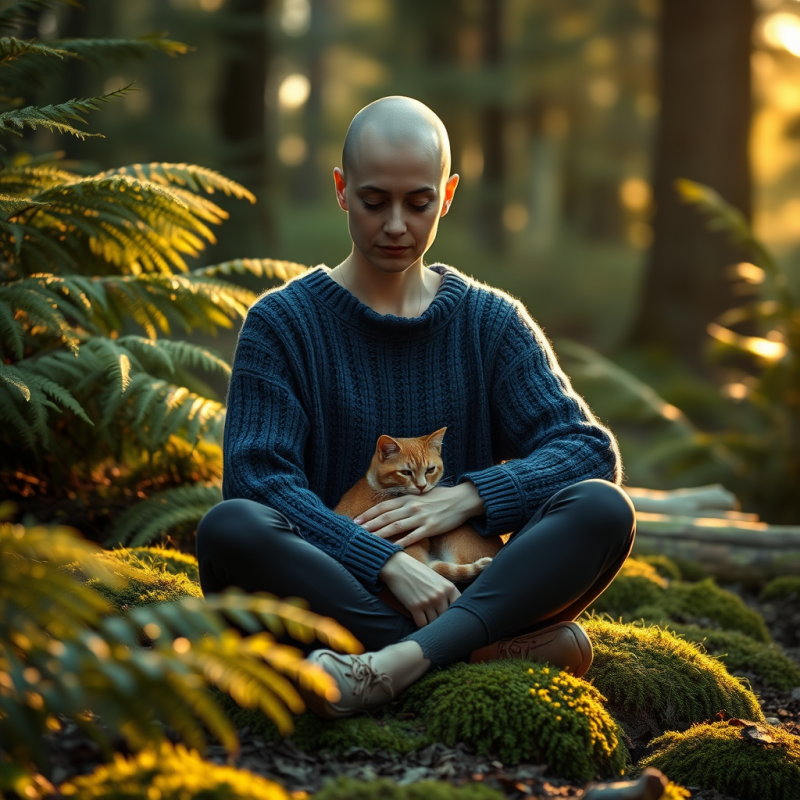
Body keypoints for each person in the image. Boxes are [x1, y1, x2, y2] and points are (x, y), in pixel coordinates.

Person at [195, 95, 636, 720]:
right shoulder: (281, 323)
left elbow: (588, 450)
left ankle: (391, 664)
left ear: (448, 193)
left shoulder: (491, 322)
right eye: (375, 201)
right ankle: (477, 649)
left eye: (418, 202)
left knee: (601, 506)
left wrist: (469, 496)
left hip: (457, 581)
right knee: (230, 527)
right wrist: (387, 563)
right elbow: (257, 479)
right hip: (337, 590)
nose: (396, 224)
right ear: (342, 190)